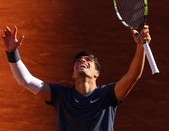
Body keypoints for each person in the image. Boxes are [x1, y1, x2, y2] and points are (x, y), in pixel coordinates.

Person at [2, 25, 151, 131]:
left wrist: (140, 47)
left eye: (88, 60)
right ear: (73, 74)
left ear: (96, 73)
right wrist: (12, 53)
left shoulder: (108, 95)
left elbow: (132, 76)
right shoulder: (61, 95)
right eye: (78, 61)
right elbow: (26, 81)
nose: (82, 61)